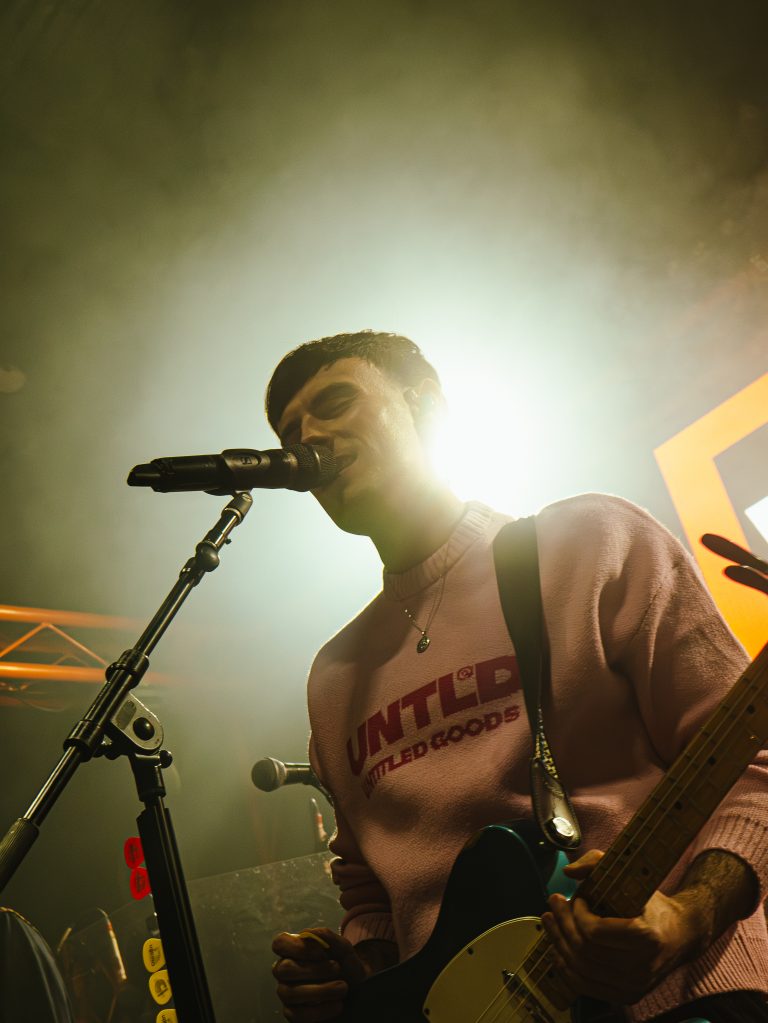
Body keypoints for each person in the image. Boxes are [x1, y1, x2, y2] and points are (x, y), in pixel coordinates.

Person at [266, 330, 768, 1023]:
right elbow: (372, 893)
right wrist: (355, 978)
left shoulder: (590, 542)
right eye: (290, 432)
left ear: (426, 406)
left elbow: (754, 765)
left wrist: (688, 916)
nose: (308, 437)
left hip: (681, 1000)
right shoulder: (335, 676)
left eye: (334, 403)